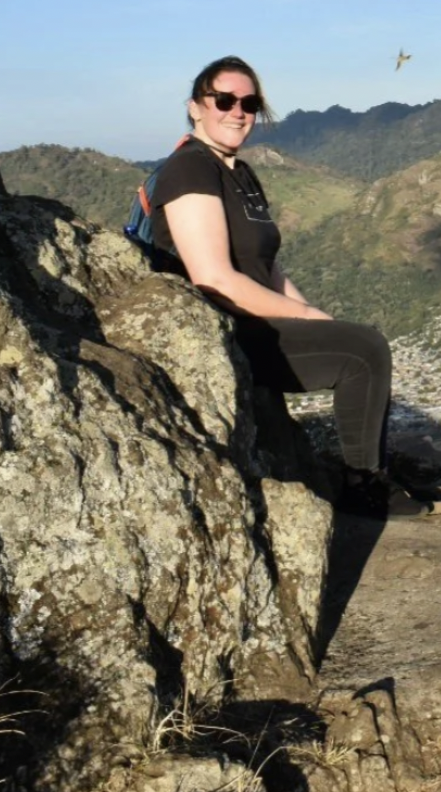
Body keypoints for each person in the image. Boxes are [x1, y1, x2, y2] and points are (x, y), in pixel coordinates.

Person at [150, 55, 427, 518]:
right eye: (225, 100)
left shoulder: (239, 172)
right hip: (223, 332)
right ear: (196, 107)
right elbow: (212, 276)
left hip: (254, 320)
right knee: (364, 352)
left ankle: (371, 474)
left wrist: (317, 317)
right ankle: (364, 487)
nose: (238, 111)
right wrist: (304, 319)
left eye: (249, 102)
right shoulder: (190, 169)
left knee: (359, 342)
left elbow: (268, 267)